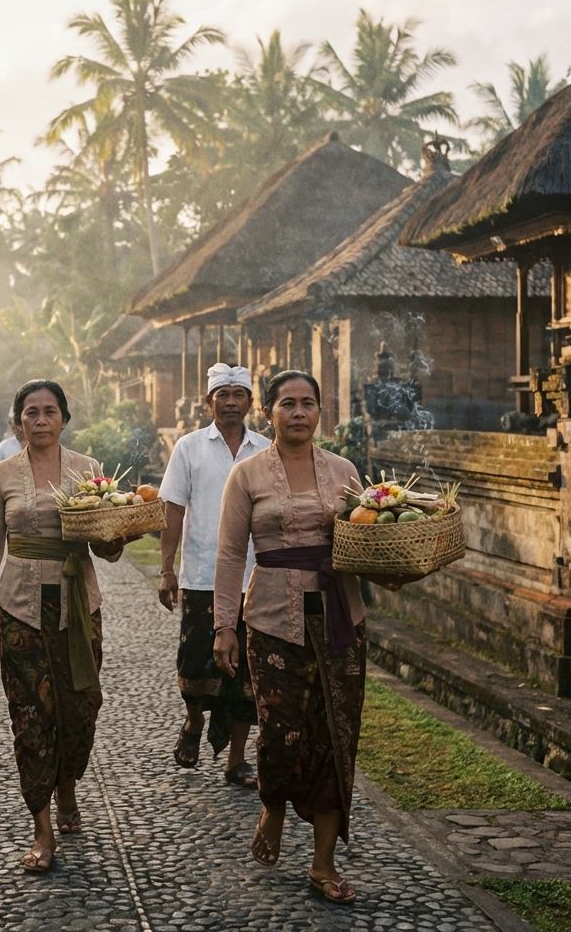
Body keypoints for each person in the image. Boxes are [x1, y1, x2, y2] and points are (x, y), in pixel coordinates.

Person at [213, 370, 365, 906]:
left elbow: (365, 536)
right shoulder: (248, 475)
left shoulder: (345, 472)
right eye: (287, 404)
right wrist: (224, 626)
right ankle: (272, 805)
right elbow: (232, 554)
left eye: (308, 404)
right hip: (272, 619)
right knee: (280, 734)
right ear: (269, 413)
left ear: (320, 412)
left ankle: (323, 864)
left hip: (339, 619)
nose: (298, 413)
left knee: (335, 738)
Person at [0, 380, 125, 873]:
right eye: (30, 412)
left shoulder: (89, 471)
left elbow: (106, 540)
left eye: (49, 411)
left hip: (79, 610)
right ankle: (42, 827)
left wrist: (120, 535)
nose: (40, 420)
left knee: (80, 710)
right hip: (19, 611)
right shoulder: (2, 475)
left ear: (64, 419)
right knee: (30, 717)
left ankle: (69, 788)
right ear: (17, 422)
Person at [158, 363, 269, 781]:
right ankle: (194, 721)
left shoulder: (265, 450)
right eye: (222, 395)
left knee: (247, 674)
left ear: (251, 404)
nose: (230, 402)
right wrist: (166, 569)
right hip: (202, 574)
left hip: (255, 577)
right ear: (209, 402)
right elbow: (173, 509)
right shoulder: (189, 447)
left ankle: (236, 759)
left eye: (238, 394)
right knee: (194, 663)